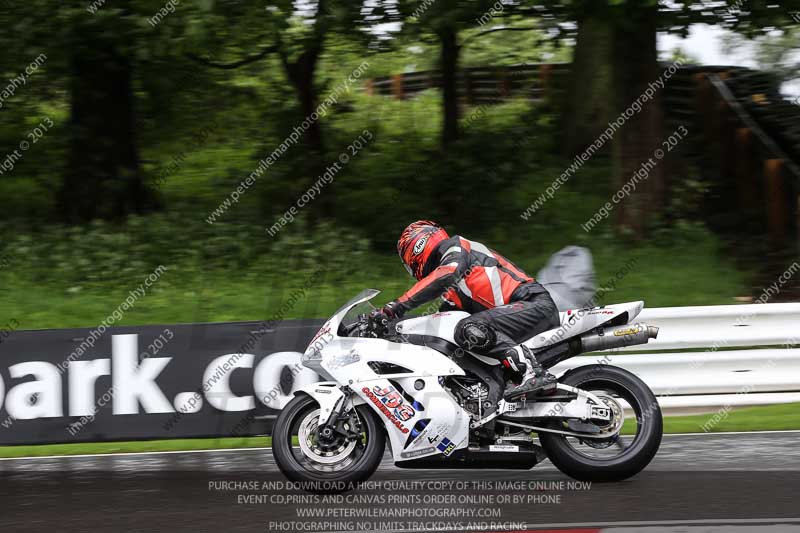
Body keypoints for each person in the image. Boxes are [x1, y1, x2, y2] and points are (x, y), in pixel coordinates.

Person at [373, 220, 560, 400]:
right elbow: (440, 324)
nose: (410, 268)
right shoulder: (454, 290)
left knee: (468, 327)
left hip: (533, 303)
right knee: (458, 336)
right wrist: (395, 332)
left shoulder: (455, 247)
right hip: (517, 314)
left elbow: (447, 273)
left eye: (407, 261)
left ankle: (534, 373)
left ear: (418, 246)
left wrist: (395, 307)